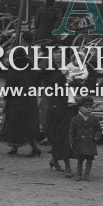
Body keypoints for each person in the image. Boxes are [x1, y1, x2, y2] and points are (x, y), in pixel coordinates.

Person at [0, 48, 41, 157]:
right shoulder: (32, 68)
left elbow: (9, 86)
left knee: (15, 123)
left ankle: (14, 147)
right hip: (30, 100)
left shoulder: (14, 69)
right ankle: (34, 147)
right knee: (28, 124)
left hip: (16, 101)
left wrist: (5, 98)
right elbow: (38, 83)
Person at [46, 48, 76, 177]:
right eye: (56, 52)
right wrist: (62, 75)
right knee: (59, 134)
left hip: (69, 104)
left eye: (60, 52)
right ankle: (67, 166)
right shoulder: (48, 69)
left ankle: (55, 160)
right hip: (56, 104)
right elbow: (49, 85)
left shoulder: (71, 68)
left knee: (65, 134)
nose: (58, 54)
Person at [69, 96, 102, 181]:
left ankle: (87, 174)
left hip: (90, 143)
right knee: (80, 160)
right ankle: (79, 174)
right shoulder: (75, 119)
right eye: (86, 107)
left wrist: (96, 137)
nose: (89, 109)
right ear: (80, 108)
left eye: (90, 107)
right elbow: (71, 132)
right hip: (79, 143)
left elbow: (98, 130)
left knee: (89, 160)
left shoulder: (94, 119)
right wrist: (72, 141)